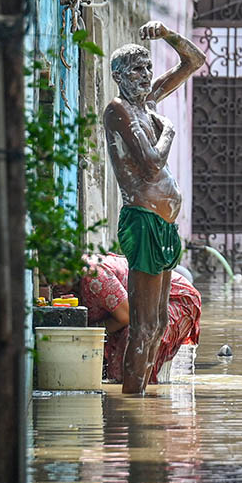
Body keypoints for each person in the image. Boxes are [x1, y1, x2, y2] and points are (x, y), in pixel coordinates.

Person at [104, 20, 204, 393]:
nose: (146, 75)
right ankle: (131, 404)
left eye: (148, 67)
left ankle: (140, 401)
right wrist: (170, 132)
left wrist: (167, 36)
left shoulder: (147, 105)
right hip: (143, 220)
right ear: (118, 76)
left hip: (163, 224)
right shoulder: (119, 110)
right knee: (143, 325)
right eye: (136, 69)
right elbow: (150, 163)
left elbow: (193, 61)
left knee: (159, 324)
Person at [56, 253, 200, 384]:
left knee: (136, 339)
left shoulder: (93, 274)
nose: (54, 283)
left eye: (57, 276)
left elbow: (126, 317)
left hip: (174, 298)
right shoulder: (67, 284)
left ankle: (139, 402)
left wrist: (90, 332)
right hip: (138, 306)